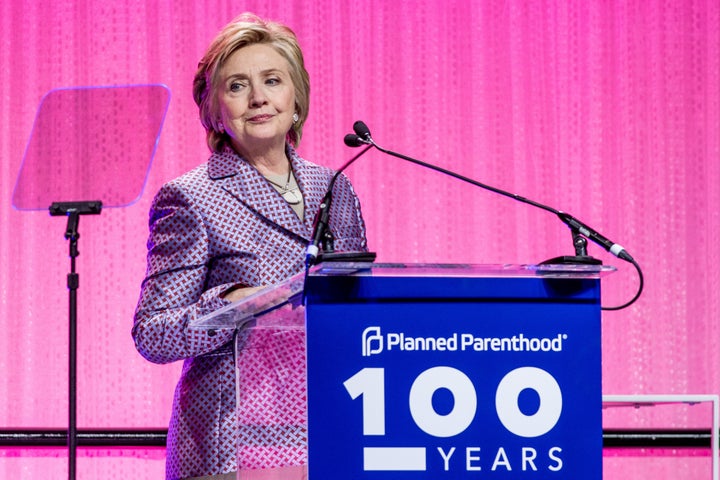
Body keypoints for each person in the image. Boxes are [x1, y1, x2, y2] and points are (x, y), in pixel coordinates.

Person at [132, 13, 368, 480]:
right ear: (215, 109)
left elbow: (354, 306)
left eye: (272, 81)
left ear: (295, 97)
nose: (259, 97)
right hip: (232, 442)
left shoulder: (334, 187)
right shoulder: (191, 197)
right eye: (237, 86)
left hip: (329, 427)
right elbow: (152, 334)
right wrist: (229, 304)